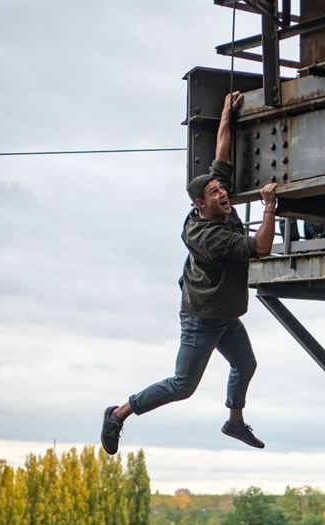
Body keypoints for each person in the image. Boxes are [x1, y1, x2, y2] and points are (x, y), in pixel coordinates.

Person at [101, 91, 278, 455]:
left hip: (224, 313)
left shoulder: (210, 205)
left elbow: (221, 155)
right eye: (216, 193)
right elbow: (260, 248)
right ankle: (118, 413)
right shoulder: (208, 235)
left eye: (221, 189)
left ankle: (234, 421)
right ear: (201, 204)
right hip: (201, 318)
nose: (223, 194)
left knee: (245, 363)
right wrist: (269, 207)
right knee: (183, 385)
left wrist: (227, 114)